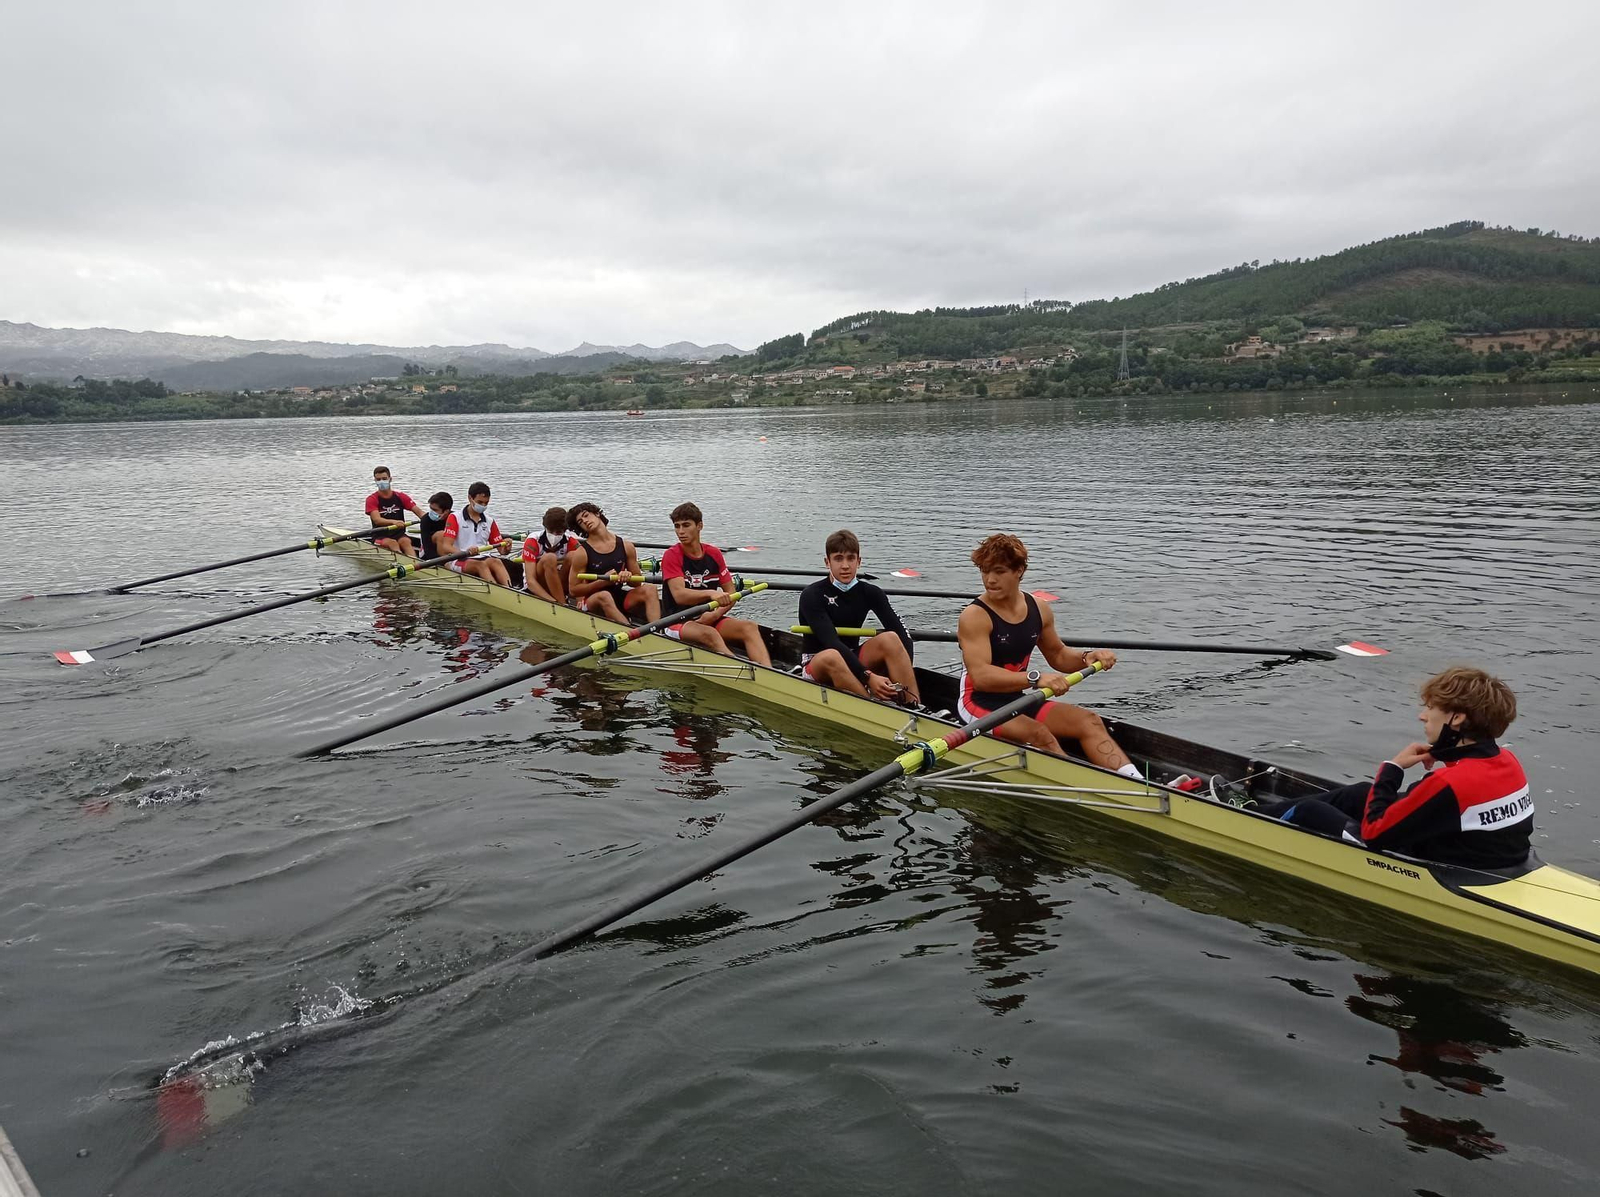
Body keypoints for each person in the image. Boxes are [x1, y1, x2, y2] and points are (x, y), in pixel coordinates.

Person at [1241, 667, 1531, 869]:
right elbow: (1467, 786)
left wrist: (1392, 768)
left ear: (1456, 719)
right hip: (1496, 857)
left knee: (1308, 812)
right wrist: (1443, 753)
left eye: (1430, 708)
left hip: (1438, 866)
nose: (1422, 716)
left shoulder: (1449, 783)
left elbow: (1375, 834)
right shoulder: (1507, 761)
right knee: (1359, 794)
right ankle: (1250, 811)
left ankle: (1240, 820)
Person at [956, 533, 1137, 777]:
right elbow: (981, 677)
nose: (990, 580)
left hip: (1016, 698)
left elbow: (1058, 655)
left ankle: (1135, 781)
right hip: (977, 702)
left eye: (999, 571)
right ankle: (1087, 791)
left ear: (1019, 570)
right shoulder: (975, 616)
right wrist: (1035, 678)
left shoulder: (1039, 608)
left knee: (1089, 721)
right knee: (1039, 734)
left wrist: (1087, 657)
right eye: (985, 571)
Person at [796, 529, 920, 705]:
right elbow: (831, 642)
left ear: (859, 561)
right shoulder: (812, 594)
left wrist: (901, 671)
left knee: (892, 638)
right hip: (818, 662)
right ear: (827, 562)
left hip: (853, 659)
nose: (845, 566)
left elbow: (903, 635)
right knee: (832, 655)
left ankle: (913, 704)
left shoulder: (871, 592)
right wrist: (868, 677)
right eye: (838, 559)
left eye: (850, 558)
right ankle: (871, 705)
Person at [658, 502, 771, 666]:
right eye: (677, 526)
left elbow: (731, 593)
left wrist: (715, 614)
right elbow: (680, 596)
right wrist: (711, 594)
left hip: (707, 618)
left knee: (750, 627)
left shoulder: (714, 554)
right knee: (710, 634)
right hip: (675, 621)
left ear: (699, 526)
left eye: (686, 525)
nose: (680, 532)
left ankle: (767, 672)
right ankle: (740, 671)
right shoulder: (672, 555)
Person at [566, 501, 660, 623]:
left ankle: (657, 631)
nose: (584, 521)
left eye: (586, 515)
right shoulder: (582, 553)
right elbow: (573, 590)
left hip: (619, 596)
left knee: (650, 589)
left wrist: (628, 577)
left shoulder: (626, 546)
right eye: (580, 522)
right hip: (593, 600)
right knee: (604, 595)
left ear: (597, 514)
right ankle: (632, 635)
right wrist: (602, 581)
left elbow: (637, 582)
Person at [435, 481, 512, 586]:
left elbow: (502, 552)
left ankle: (509, 588)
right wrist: (465, 552)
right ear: (470, 498)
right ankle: (498, 592)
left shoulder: (490, 521)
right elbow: (446, 546)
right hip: (458, 559)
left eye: (486, 503)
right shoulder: (455, 518)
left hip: (481, 556)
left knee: (497, 562)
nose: (483, 506)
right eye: (480, 502)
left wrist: (507, 547)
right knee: (481, 565)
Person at [521, 506, 579, 603]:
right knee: (549, 558)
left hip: (559, 582)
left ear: (565, 531)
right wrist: (554, 603)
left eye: (559, 532)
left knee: (574, 556)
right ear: (545, 528)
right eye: (551, 531)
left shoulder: (570, 541)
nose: (554, 535)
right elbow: (531, 582)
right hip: (536, 585)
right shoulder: (533, 541)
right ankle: (562, 603)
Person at [365, 465, 425, 556]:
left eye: (384, 478)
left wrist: (431, 520)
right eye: (378, 479)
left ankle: (416, 564)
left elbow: (419, 512)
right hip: (379, 536)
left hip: (399, 534)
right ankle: (402, 562)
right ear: (375, 481)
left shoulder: (400, 496)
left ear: (390, 479)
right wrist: (394, 522)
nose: (381, 481)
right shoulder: (372, 499)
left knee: (406, 542)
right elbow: (377, 520)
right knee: (392, 543)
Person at [417, 491, 453, 561]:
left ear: (446, 511)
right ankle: (444, 563)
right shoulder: (425, 520)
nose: (431, 512)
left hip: (448, 549)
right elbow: (427, 549)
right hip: (427, 553)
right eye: (431, 508)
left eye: (435, 510)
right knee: (441, 534)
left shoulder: (454, 517)